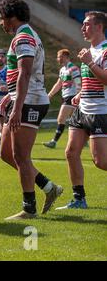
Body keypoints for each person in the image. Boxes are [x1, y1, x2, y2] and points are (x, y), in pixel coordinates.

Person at [0, 0, 63, 220]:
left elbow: (25, 73)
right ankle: (49, 187)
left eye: (1, 18)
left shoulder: (23, 37)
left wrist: (17, 106)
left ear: (11, 17)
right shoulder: (23, 35)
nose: (0, 23)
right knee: (5, 153)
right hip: (23, 98)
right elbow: (22, 76)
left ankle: (29, 209)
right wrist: (10, 97)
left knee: (21, 157)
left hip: (30, 101)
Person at [56, 11, 107, 210]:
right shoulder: (88, 51)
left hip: (100, 111)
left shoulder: (104, 51)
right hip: (82, 110)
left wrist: (89, 62)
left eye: (86, 24)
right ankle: (79, 199)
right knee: (70, 152)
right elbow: (90, 81)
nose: (82, 28)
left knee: (101, 162)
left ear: (99, 27)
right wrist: (80, 93)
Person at [43, 49, 81, 148]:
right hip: (65, 97)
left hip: (71, 97)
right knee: (77, 121)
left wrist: (78, 96)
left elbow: (79, 84)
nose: (57, 59)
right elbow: (59, 84)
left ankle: (54, 141)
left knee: (61, 118)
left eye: (59, 56)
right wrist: (49, 95)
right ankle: (83, 139)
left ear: (65, 57)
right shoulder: (62, 70)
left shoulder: (73, 69)